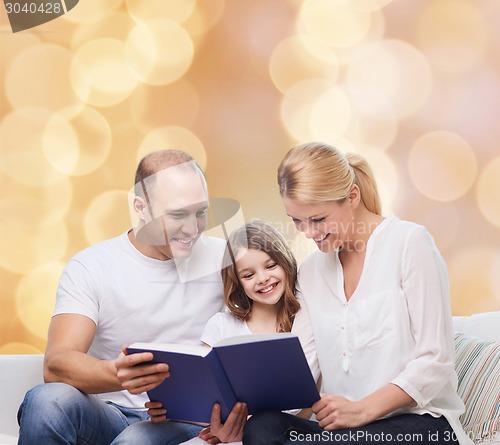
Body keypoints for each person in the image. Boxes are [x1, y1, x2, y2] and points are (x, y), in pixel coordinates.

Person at [243, 142, 474, 445]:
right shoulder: (311, 272)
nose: (309, 233)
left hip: (422, 424)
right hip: (346, 433)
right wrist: (240, 418)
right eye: (297, 221)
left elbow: (435, 362)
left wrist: (362, 410)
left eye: (318, 219)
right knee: (264, 427)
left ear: (352, 197)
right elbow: (302, 370)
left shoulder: (409, 243)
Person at [17, 150, 245, 445]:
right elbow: (57, 363)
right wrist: (114, 373)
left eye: (200, 212)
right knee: (46, 401)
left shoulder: (226, 259)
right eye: (177, 215)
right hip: (109, 413)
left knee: (134, 441)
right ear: (141, 207)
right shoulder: (92, 265)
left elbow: (269, 324)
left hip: (188, 421)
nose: (192, 228)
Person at [145, 221, 320, 444]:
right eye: (248, 275)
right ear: (237, 282)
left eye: (270, 265)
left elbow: (303, 406)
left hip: (283, 433)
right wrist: (170, 409)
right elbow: (205, 395)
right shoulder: (221, 326)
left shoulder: (305, 321)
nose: (263, 278)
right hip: (226, 433)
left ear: (285, 262)